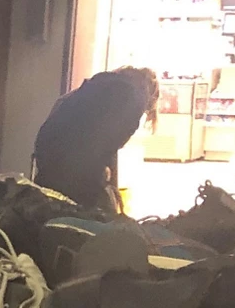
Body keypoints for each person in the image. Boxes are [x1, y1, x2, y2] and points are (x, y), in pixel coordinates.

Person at [32, 66, 159, 216]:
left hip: (46, 157)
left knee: (45, 216)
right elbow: (108, 146)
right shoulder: (135, 98)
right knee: (92, 224)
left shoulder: (97, 83)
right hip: (76, 169)